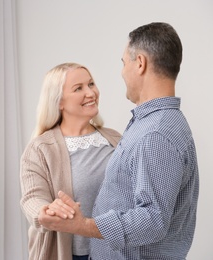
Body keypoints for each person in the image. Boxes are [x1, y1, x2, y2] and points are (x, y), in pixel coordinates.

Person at [38, 22, 200, 260]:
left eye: (124, 63)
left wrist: (83, 226)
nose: (123, 72)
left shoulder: (155, 134)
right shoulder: (151, 124)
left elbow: (152, 220)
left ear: (140, 63)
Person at [20, 62, 122, 260]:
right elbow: (32, 197)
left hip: (114, 253)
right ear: (59, 101)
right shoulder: (40, 148)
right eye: (79, 88)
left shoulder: (115, 139)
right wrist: (46, 210)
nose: (91, 93)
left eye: (91, 84)